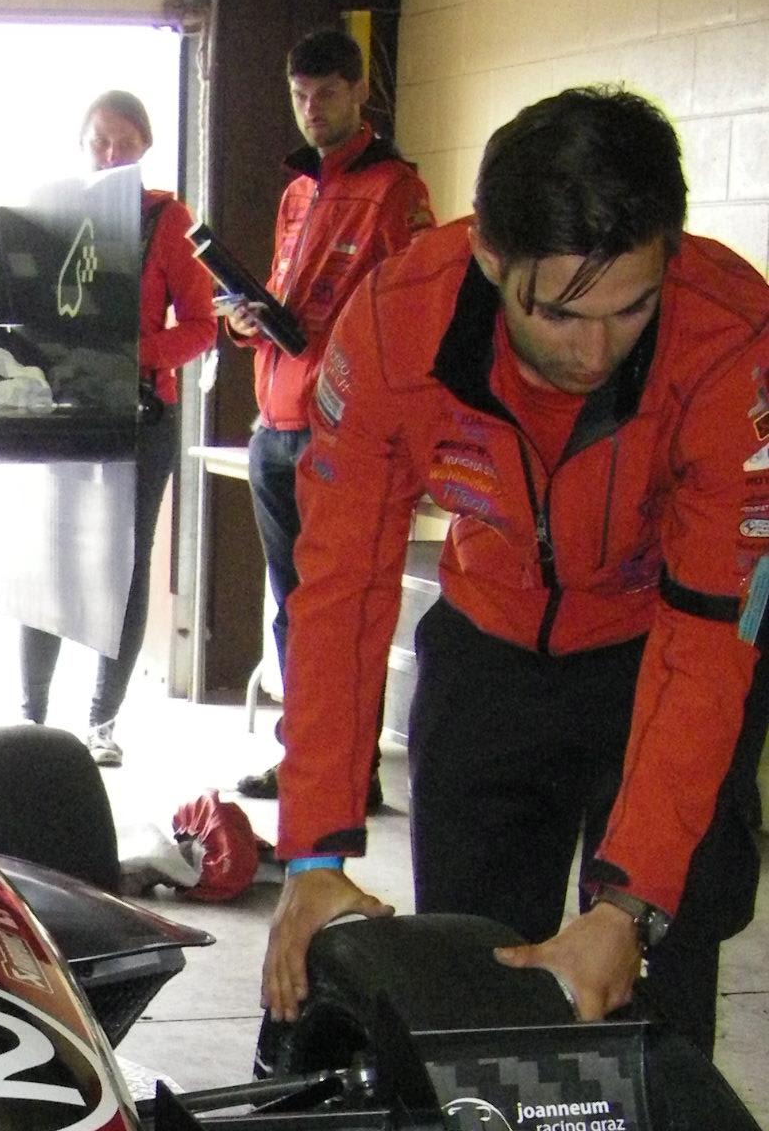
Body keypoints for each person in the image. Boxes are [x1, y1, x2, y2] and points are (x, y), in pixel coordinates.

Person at [261, 85, 769, 1058]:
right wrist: (313, 853)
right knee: (473, 982)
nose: (595, 349)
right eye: (563, 312)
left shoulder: (731, 339)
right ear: (493, 260)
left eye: (631, 309)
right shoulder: (395, 325)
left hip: (658, 650)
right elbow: (338, 595)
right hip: (491, 643)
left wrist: (631, 905)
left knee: (657, 970)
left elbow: (714, 632)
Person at [228, 27, 433, 799]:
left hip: (344, 434)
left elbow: (417, 310)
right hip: (275, 426)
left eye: (326, 94)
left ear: (359, 93)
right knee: (293, 611)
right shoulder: (297, 192)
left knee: (342, 609)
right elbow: (287, 294)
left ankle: (350, 772)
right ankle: (306, 762)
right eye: (300, 96)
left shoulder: (395, 189)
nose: (312, 109)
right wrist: (246, 319)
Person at [20, 90, 216, 764]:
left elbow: (202, 326)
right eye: (100, 140)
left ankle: (102, 720)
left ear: (144, 150)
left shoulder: (167, 219)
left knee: (126, 566)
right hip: (63, 410)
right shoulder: (52, 213)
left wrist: (134, 354)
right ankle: (30, 718)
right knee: (49, 557)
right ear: (82, 143)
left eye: (125, 143)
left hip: (140, 414)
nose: (111, 154)